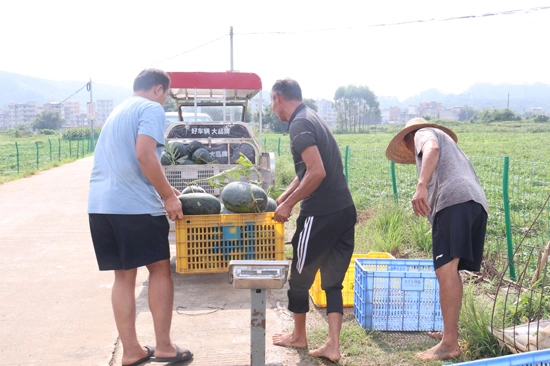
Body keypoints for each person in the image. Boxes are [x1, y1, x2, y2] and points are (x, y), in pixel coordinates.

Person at [88, 69, 193, 366]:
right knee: (159, 269)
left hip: (100, 205)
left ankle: (132, 351)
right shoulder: (151, 108)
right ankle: (164, 347)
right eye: (167, 96)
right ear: (159, 89)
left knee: (123, 276)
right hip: (134, 207)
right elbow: (145, 155)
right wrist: (169, 197)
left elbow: (129, 161)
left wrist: (165, 186)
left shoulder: (119, 110)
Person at [385, 117, 488, 361]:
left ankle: (449, 344)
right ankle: (450, 333)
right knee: (450, 270)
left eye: (407, 145)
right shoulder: (452, 149)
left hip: (454, 202)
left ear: (408, 138)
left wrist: (421, 185)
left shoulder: (422, 133)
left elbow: (432, 148)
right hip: (475, 204)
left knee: (445, 270)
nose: (411, 151)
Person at [270, 78, 356, 362]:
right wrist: (283, 197)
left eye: (272, 103)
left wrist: (290, 205)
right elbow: (305, 170)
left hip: (320, 213)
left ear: (278, 98)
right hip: (344, 211)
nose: (274, 109)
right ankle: (333, 345)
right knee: (332, 282)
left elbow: (316, 172)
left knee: (299, 277)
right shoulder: (313, 117)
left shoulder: (298, 124)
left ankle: (299, 336)